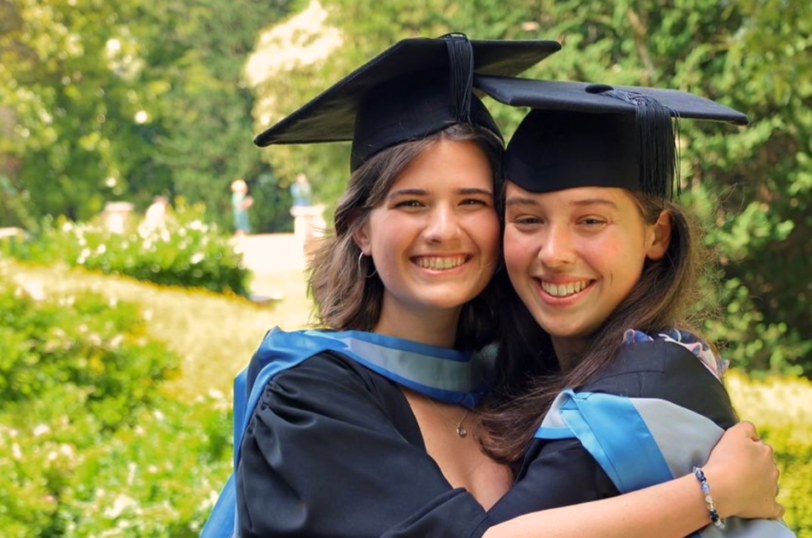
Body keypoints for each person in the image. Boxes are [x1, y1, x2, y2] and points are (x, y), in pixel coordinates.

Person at [202, 35, 781, 538]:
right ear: (359, 228)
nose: (444, 230)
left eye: (473, 202)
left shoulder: (520, 378)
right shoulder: (309, 401)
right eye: (411, 203)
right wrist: (714, 491)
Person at [472, 77, 793, 535]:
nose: (553, 252)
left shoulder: (638, 394)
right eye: (527, 219)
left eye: (590, 220)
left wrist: (713, 491)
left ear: (656, 234)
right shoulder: (564, 366)